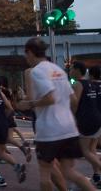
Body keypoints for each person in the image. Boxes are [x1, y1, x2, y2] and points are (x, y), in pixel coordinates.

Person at [17, 37, 95, 191]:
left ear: (31, 52)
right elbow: (72, 99)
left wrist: (30, 104)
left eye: (26, 54)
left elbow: (50, 98)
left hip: (49, 131)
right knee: (69, 171)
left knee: (45, 173)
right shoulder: (58, 69)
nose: (26, 58)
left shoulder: (37, 71)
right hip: (68, 129)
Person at [70, 61, 101, 188]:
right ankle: (97, 176)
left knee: (85, 151)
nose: (70, 71)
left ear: (77, 70)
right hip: (97, 120)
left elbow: (75, 103)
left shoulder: (78, 84)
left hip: (86, 121)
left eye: (72, 69)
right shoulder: (90, 83)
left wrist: (71, 118)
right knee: (92, 149)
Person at [0, 76, 31, 163]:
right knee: (7, 138)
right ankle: (14, 152)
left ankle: (4, 155)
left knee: (3, 138)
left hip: (4, 116)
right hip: (9, 116)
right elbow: (12, 103)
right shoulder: (8, 91)